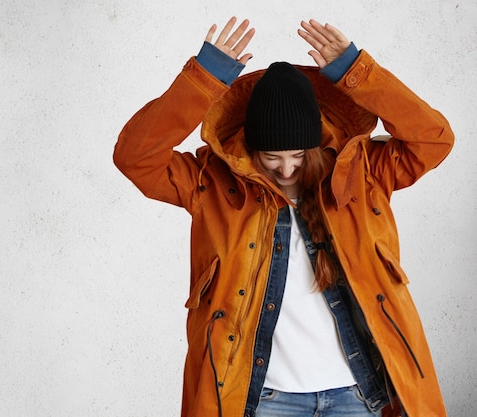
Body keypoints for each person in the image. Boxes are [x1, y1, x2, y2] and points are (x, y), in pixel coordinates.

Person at [113, 16, 453, 417]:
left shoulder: (363, 175)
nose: (286, 170)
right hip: (263, 400)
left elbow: (433, 138)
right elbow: (134, 156)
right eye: (271, 157)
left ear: (316, 145)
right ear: (251, 148)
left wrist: (356, 72)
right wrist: (204, 79)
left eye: (298, 157)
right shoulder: (212, 183)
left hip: (359, 396)